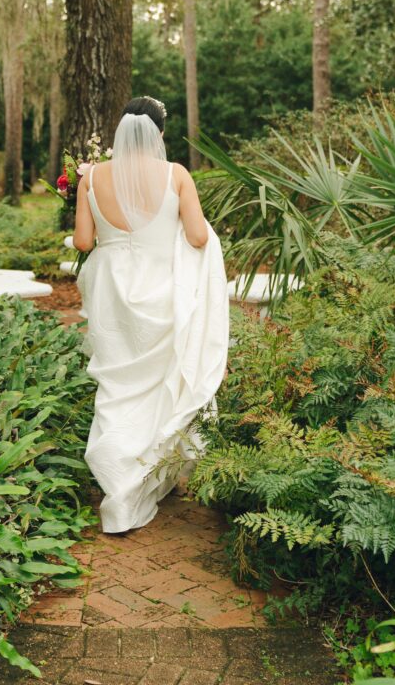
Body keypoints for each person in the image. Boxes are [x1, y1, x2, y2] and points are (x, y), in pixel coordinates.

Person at [74, 96, 229, 534]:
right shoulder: (176, 174)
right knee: (160, 385)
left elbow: (83, 242)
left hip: (111, 294)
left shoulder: (92, 179)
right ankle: (148, 476)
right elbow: (198, 236)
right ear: (159, 133)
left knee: (118, 384)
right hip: (161, 293)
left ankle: (118, 480)